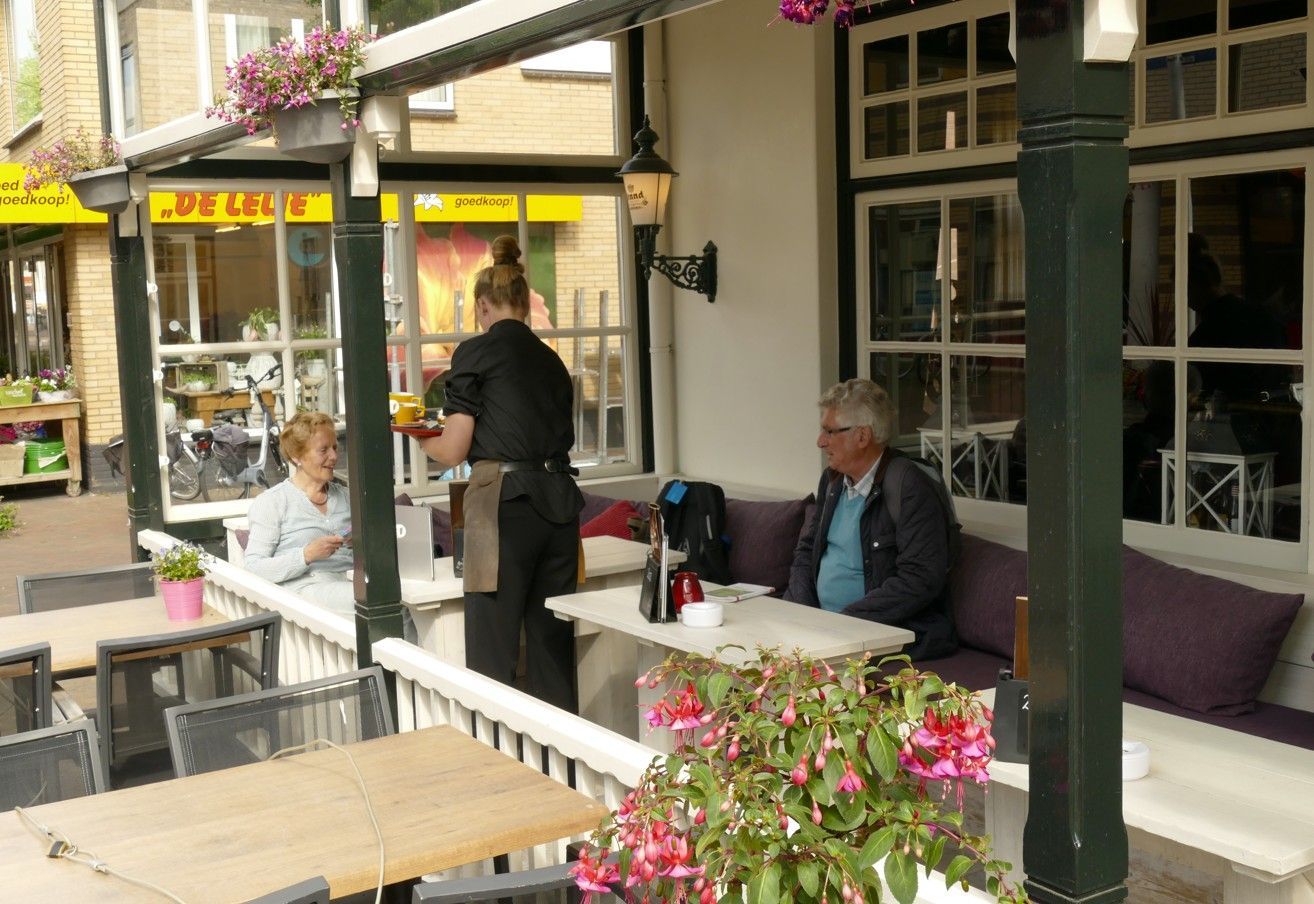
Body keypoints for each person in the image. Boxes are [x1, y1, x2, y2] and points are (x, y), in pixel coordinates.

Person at [420, 235, 583, 713]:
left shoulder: (475, 353)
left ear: (483, 306)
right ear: (524, 306)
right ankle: (564, 766)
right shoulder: (552, 361)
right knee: (552, 644)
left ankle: (496, 760)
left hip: (503, 506)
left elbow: (452, 450)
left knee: (493, 650)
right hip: (559, 504)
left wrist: (413, 431)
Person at [786, 378, 957, 660]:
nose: (820, 442)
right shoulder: (832, 481)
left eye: (829, 431)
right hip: (825, 629)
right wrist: (801, 613)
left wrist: (846, 622)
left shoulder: (909, 486)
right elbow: (807, 550)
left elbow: (920, 578)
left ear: (862, 436)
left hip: (884, 635)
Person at [243, 411, 354, 615]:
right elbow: (253, 567)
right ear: (297, 457)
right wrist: (306, 555)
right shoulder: (272, 502)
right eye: (323, 450)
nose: (334, 456)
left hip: (352, 580)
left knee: (396, 600)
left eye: (335, 448)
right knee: (380, 603)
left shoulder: (348, 497)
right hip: (306, 591)